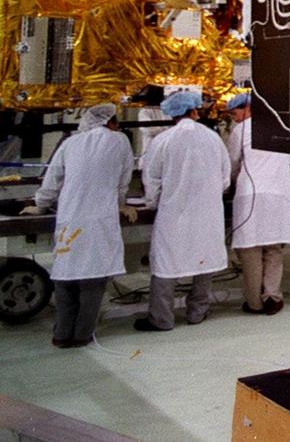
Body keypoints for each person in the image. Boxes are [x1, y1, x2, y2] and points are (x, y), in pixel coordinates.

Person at [19, 103, 135, 348]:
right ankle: (82, 334)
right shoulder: (120, 141)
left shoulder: (70, 144)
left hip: (70, 218)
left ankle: (61, 335)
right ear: (111, 122)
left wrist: (40, 205)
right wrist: (122, 203)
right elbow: (124, 179)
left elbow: (51, 180)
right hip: (100, 220)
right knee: (92, 281)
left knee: (65, 278)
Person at [134, 91, 230, 332]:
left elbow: (152, 178)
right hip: (208, 212)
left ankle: (161, 319)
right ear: (194, 111)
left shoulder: (163, 140)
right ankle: (197, 312)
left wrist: (152, 201)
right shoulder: (213, 138)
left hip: (173, 212)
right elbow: (225, 178)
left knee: (166, 265)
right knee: (203, 260)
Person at [225, 93, 290, 315]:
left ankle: (255, 303)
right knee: (274, 248)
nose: (235, 119)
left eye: (235, 113)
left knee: (251, 251)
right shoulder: (284, 127)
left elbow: (232, 163)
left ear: (247, 108)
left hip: (251, 195)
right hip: (279, 193)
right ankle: (273, 296)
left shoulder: (241, 130)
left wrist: (231, 182)